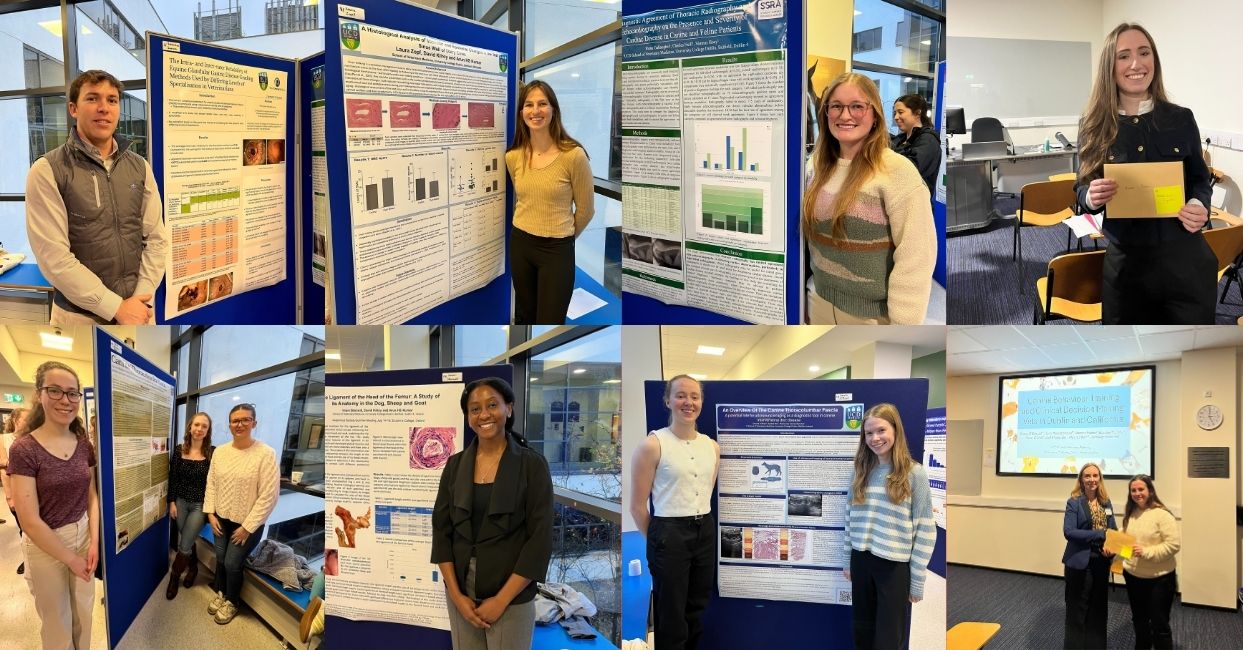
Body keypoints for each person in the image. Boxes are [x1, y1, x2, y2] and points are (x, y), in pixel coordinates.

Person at [1075, 23, 1214, 324]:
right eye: (1123, 56)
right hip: (1127, 270)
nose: (1136, 64)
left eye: (1144, 52)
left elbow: (1200, 179)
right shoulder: (1093, 124)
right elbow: (1081, 188)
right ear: (1110, 67)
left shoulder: (1180, 118)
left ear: (1155, 60)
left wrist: (1199, 204)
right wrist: (1091, 197)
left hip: (1186, 263)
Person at [25, 69, 167, 326]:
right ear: (73, 109)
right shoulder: (48, 170)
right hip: (80, 318)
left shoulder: (139, 166)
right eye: (92, 99)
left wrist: (139, 301)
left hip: (138, 312)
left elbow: (156, 239)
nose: (104, 108)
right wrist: (115, 307)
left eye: (112, 100)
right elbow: (54, 257)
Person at [803, 73, 936, 325]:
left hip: (873, 318)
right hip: (818, 302)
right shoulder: (816, 166)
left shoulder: (897, 172)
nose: (845, 115)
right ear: (825, 113)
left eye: (857, 106)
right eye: (836, 107)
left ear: (874, 114)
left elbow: (916, 258)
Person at [431, 377, 553, 650]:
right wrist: (456, 595)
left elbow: (540, 539)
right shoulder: (454, 465)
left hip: (511, 592)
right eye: (475, 409)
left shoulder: (531, 465)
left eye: (492, 405)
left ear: (509, 408)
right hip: (460, 591)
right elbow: (441, 531)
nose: (484, 414)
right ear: (467, 416)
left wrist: (500, 601)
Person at [7, 362, 99, 649]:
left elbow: (92, 495)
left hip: (83, 534)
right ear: (39, 395)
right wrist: (70, 558)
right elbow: (29, 519)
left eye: (73, 393)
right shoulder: (24, 449)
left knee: (84, 611)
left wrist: (94, 541)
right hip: (45, 543)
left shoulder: (84, 444)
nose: (65, 400)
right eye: (55, 390)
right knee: (57, 620)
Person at [629, 375, 720, 650]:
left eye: (695, 396)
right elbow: (636, 507)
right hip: (668, 532)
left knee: (696, 606)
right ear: (668, 400)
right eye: (681, 395)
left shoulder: (712, 447)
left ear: (701, 402)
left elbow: (705, 492)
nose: (688, 402)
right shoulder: (653, 444)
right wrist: (659, 541)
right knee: (671, 614)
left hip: (704, 528)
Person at [842, 403, 935, 650]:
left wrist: (917, 580)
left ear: (895, 430)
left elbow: (925, 529)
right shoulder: (859, 470)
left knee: (888, 639)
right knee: (862, 631)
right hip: (861, 561)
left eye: (881, 430)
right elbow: (849, 518)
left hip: (894, 568)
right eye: (869, 433)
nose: (875, 438)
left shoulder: (915, 474)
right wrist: (846, 560)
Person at [504, 81, 595, 324]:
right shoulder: (513, 157)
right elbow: (524, 199)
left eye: (542, 104)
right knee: (525, 317)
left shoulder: (573, 156)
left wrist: (563, 237)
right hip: (521, 244)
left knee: (550, 321)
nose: (535, 111)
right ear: (521, 112)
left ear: (553, 109)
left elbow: (586, 210)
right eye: (529, 104)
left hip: (557, 250)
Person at [204, 404, 279, 625]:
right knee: (220, 558)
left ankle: (233, 601)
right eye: (235, 421)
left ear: (254, 423)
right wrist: (210, 514)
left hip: (247, 524)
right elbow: (212, 484)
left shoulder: (266, 454)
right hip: (220, 519)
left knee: (232, 563)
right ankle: (221, 592)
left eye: (245, 420)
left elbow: (269, 496)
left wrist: (247, 527)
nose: (240, 424)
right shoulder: (220, 451)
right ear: (229, 425)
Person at [1062, 462, 1117, 649]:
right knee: (1077, 610)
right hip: (1079, 563)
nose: (1092, 480)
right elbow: (1069, 532)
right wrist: (1100, 534)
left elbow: (1114, 530)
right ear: (1081, 480)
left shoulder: (1106, 502)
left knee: (1098, 609)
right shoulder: (1074, 502)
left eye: (1095, 476)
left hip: (1101, 562)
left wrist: (1114, 547)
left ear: (1100, 479)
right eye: (1087, 476)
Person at [1121, 475, 1180, 649]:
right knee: (1139, 621)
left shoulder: (1163, 515)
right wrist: (1115, 548)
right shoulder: (1131, 513)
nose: (1137, 493)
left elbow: (1174, 545)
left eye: (1141, 489)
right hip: (1133, 577)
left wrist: (1146, 552)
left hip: (1159, 580)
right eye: (1134, 490)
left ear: (1150, 491)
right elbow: (1128, 542)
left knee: (1159, 624)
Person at [165, 412, 214, 599]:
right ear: (190, 427)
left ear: (208, 431)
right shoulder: (179, 450)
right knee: (187, 537)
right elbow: (173, 479)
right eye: (197, 425)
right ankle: (192, 568)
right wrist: (171, 502)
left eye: (204, 426)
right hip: (180, 502)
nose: (199, 429)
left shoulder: (212, 453)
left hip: (200, 505)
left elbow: (214, 483)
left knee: (184, 544)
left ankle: (174, 577)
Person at [890, 94, 942, 193]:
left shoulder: (928, 140)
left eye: (900, 112)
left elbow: (908, 169)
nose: (896, 117)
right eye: (895, 113)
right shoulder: (900, 139)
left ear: (917, 113)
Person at [3, 406, 31, 574]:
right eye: (25, 419)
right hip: (15, 491)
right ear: (15, 420)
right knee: (24, 528)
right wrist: (9, 496)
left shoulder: (33, 438)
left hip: (32, 492)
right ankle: (27, 559)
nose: (28, 422)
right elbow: (3, 469)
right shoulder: (5, 439)